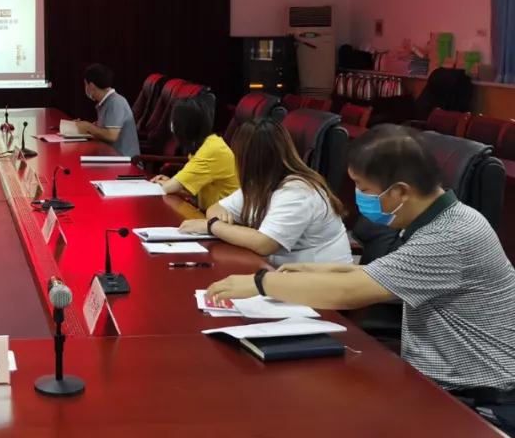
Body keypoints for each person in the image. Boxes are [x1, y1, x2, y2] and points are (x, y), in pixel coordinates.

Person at [206, 126, 515, 434]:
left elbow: (352, 292)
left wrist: (260, 283)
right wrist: (317, 270)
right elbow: (379, 272)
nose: (358, 197)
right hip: (435, 379)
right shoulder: (439, 220)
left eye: (363, 188)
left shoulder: (449, 237)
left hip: (473, 398)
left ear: (400, 192)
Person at [181, 118, 350, 265]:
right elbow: (215, 208)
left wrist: (213, 226)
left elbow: (265, 244)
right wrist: (219, 220)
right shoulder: (260, 184)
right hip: (282, 273)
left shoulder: (297, 191)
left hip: (320, 281)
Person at [151, 98, 239, 211]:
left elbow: (166, 189)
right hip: (212, 211)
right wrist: (171, 183)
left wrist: (168, 184)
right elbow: (194, 192)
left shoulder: (212, 150)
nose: (172, 126)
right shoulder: (203, 145)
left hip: (227, 217)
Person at [72, 64, 140, 158]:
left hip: (124, 159)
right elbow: (103, 130)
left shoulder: (115, 102)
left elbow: (111, 135)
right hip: (110, 155)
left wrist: (88, 127)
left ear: (91, 86)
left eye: (85, 84)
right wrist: (82, 127)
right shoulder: (105, 102)